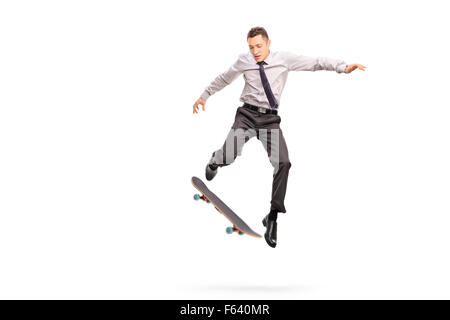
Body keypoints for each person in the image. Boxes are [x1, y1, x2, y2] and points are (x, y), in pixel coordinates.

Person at [193, 27, 365, 248]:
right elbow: (224, 78)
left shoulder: (283, 59)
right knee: (229, 155)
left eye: (259, 46)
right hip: (246, 116)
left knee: (283, 162)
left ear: (268, 43)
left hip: (270, 122)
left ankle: (272, 217)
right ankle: (216, 160)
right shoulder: (244, 60)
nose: (255, 51)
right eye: (251, 47)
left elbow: (315, 62)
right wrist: (204, 95)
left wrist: (342, 67)